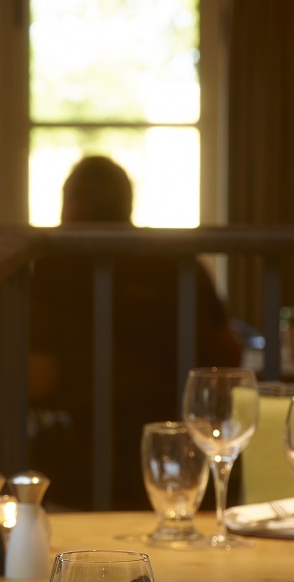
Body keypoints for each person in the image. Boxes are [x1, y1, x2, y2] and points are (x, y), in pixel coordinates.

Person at [27, 155, 243, 511]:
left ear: (75, 204)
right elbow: (229, 359)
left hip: (87, 457)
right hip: (183, 455)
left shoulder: (53, 269)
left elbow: (39, 380)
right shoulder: (178, 261)